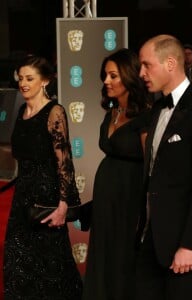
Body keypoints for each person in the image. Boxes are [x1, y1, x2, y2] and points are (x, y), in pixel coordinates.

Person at [136, 34, 192, 300]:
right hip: (151, 239)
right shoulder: (157, 110)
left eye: (146, 65)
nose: (141, 73)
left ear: (171, 63)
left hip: (183, 246)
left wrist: (189, 245)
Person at [3, 55, 83, 299]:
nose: (23, 83)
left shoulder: (54, 112)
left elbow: (64, 163)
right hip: (22, 199)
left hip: (47, 200)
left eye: (30, 78)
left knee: (50, 265)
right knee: (17, 262)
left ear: (45, 81)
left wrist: (62, 205)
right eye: (21, 78)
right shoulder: (21, 113)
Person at [82, 48, 151, 300]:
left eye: (113, 75)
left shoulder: (145, 115)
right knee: (103, 257)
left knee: (123, 260)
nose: (106, 81)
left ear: (129, 76)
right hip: (105, 200)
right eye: (105, 75)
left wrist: (144, 214)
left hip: (129, 200)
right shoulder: (111, 112)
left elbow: (150, 167)